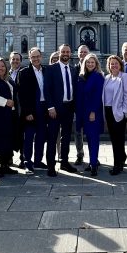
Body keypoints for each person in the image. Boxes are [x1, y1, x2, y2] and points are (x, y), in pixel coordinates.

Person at [43, 44, 79, 176]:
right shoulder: (51, 69)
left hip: (68, 107)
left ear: (70, 54)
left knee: (66, 137)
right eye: (63, 51)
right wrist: (50, 107)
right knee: (52, 138)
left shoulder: (73, 69)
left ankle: (64, 162)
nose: (65, 54)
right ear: (59, 53)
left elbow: (74, 89)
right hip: (55, 109)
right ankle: (51, 166)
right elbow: (46, 89)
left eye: (67, 52)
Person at [16, 47, 48, 173]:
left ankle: (38, 161)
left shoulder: (46, 71)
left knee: (41, 136)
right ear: (29, 58)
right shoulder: (23, 73)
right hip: (30, 110)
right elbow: (21, 95)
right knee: (29, 137)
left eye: (37, 56)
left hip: (44, 108)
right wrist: (27, 112)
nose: (35, 59)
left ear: (41, 57)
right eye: (33, 57)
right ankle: (27, 161)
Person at [75, 53, 105, 175]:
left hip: (93, 113)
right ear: (84, 64)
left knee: (94, 139)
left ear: (96, 64)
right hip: (83, 112)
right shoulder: (82, 76)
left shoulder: (98, 76)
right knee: (88, 138)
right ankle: (92, 162)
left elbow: (98, 96)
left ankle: (93, 165)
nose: (90, 64)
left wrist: (93, 111)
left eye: (92, 62)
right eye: (88, 62)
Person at [103, 54, 127, 175]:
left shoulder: (125, 77)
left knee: (118, 139)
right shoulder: (107, 78)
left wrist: (124, 112)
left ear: (120, 65)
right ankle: (121, 159)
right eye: (111, 63)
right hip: (108, 111)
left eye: (116, 63)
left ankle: (117, 165)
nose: (114, 65)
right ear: (109, 66)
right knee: (114, 138)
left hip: (118, 111)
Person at [73, 43, 90, 165]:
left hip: (90, 107)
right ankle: (80, 154)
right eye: (81, 52)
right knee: (78, 132)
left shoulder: (94, 70)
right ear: (78, 55)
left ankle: (93, 155)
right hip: (77, 107)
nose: (83, 54)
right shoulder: (73, 70)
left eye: (85, 52)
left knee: (91, 132)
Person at [8, 51, 24, 167]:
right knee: (9, 133)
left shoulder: (24, 73)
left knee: (21, 133)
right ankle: (8, 158)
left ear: (21, 61)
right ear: (10, 60)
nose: (15, 61)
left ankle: (23, 158)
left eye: (17, 59)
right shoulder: (5, 73)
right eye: (13, 59)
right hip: (8, 108)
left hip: (20, 108)